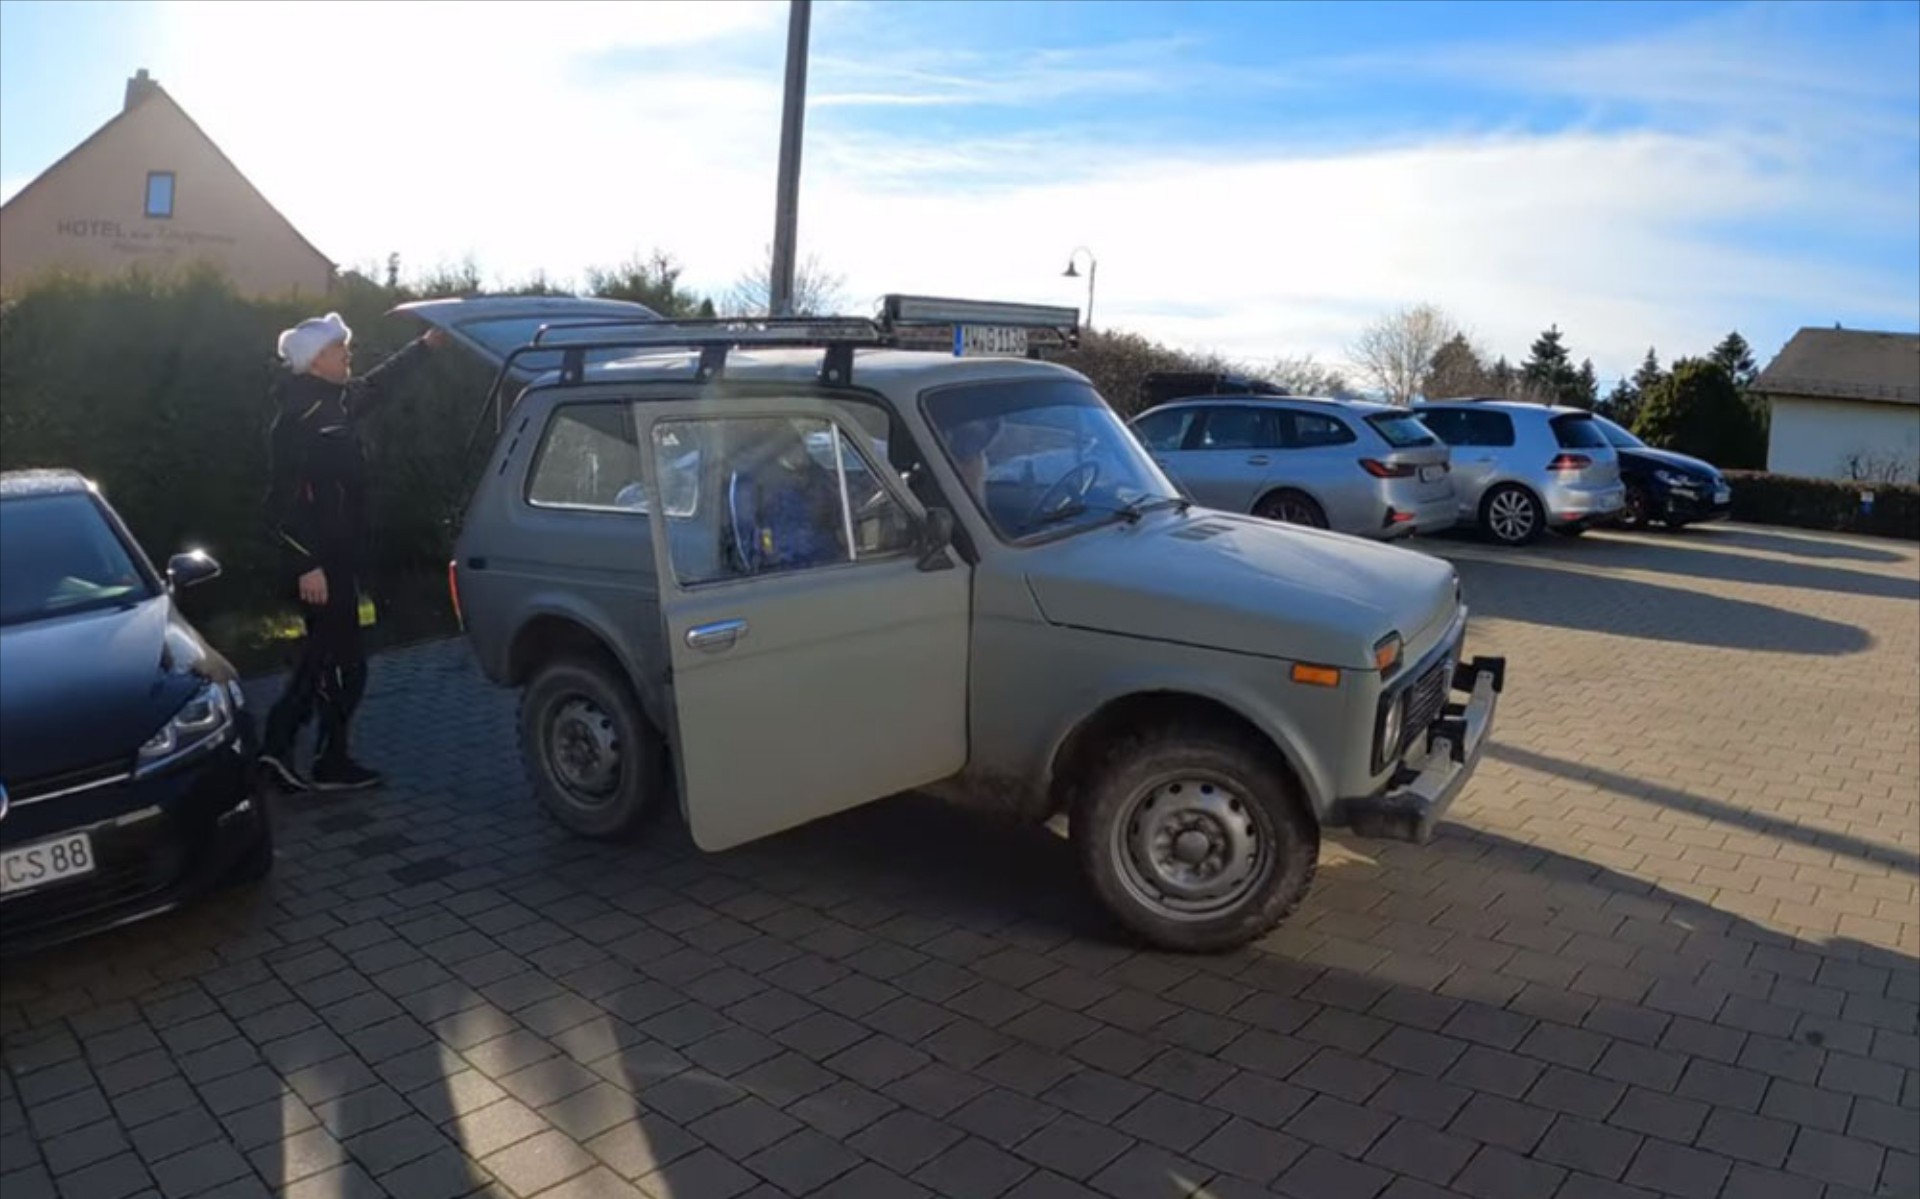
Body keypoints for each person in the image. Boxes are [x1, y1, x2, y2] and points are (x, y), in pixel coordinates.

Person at [257, 313, 445, 792]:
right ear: (316, 360)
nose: (348, 355)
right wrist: (307, 564)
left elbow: (379, 385)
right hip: (317, 565)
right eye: (340, 349)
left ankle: (295, 751)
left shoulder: (335, 404)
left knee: (331, 660)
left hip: (341, 558)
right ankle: (301, 752)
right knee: (338, 662)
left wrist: (424, 347)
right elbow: (280, 503)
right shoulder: (297, 419)